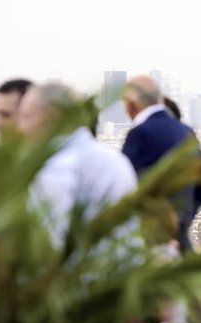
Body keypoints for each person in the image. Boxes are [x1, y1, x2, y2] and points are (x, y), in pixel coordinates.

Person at [17, 82, 138, 248]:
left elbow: (52, 242)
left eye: (27, 117)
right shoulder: (113, 158)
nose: (20, 128)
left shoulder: (59, 166)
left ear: (53, 116)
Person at [121, 76, 201, 253]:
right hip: (180, 235)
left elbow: (124, 187)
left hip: (151, 239)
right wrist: (186, 212)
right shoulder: (185, 130)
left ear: (130, 105)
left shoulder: (140, 134)